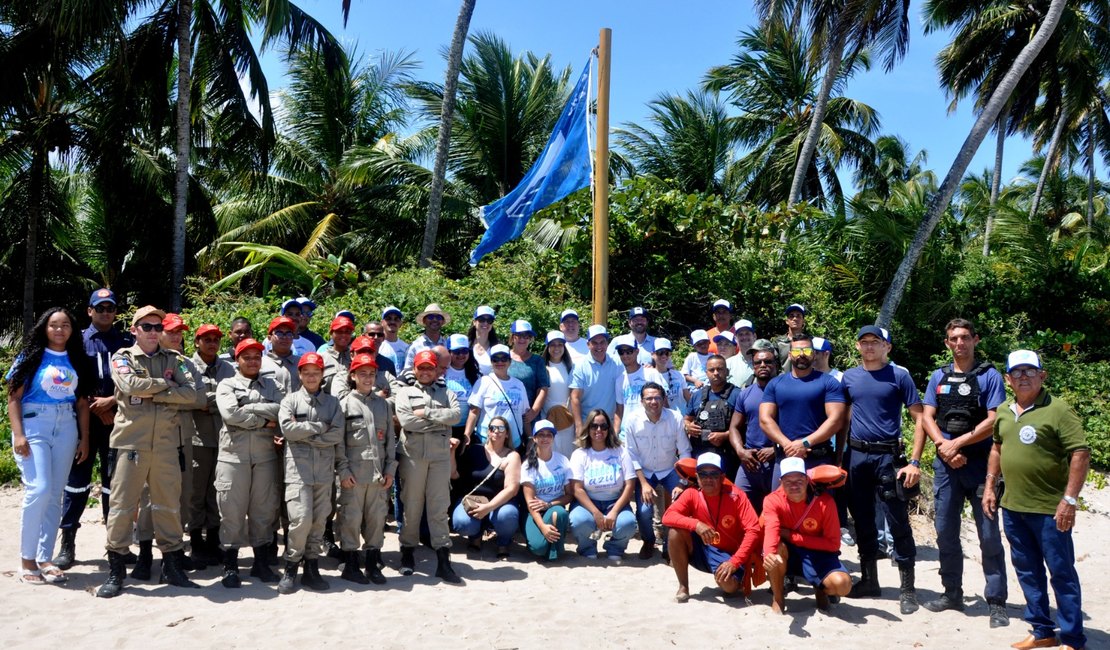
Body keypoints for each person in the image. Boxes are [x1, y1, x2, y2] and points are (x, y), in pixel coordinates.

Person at [985, 350, 1090, 650]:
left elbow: (1080, 454)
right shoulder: (1004, 410)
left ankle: (1072, 638)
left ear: (1042, 375)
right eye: (1016, 372)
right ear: (1007, 379)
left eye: (1030, 371)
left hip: (1049, 510)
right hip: (1013, 507)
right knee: (1027, 571)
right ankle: (1042, 630)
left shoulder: (1058, 410)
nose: (1023, 376)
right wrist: (991, 486)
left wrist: (1069, 499)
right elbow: (997, 448)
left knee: (1062, 572)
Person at [96, 306, 199, 598]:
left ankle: (173, 567)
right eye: (147, 326)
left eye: (157, 326)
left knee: (168, 507)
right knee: (122, 507)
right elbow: (130, 384)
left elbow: (192, 394)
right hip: (131, 444)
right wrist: (167, 386)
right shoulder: (122, 357)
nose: (153, 331)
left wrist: (153, 389)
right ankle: (116, 569)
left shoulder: (175, 360)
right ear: (134, 330)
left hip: (166, 445)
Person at [920, 318, 1009, 626]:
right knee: (945, 531)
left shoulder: (990, 376)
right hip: (946, 465)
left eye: (965, 337)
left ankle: (996, 601)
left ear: (975, 340)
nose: (959, 343)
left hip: (981, 463)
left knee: (988, 534)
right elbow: (927, 415)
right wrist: (943, 446)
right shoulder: (938, 376)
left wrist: (956, 443)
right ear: (947, 343)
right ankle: (951, 593)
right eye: (954, 338)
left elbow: (994, 420)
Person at [840, 325, 925, 614]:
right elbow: (843, 417)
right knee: (862, 519)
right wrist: (841, 457)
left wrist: (915, 461)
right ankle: (869, 581)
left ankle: (907, 590)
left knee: (897, 520)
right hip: (857, 455)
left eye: (875, 342)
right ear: (858, 346)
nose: (869, 347)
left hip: (888, 456)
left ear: (886, 347)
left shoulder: (899, 376)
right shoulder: (849, 377)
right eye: (864, 342)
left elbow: (920, 418)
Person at [7, 307, 92, 585]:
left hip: (66, 426)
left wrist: (85, 438)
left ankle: (45, 558)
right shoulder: (31, 357)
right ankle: (27, 559)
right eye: (54, 325)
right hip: (35, 424)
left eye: (65, 325)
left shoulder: (77, 358)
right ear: (45, 328)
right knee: (39, 488)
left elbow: (81, 403)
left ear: (72, 330)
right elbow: (13, 398)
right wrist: (19, 435)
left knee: (55, 493)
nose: (59, 329)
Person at [55, 288, 132, 570]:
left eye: (110, 307)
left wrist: (111, 402)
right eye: (100, 308)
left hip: (119, 421)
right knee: (76, 485)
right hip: (84, 424)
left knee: (116, 486)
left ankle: (116, 545)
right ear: (89, 311)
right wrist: (93, 407)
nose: (106, 312)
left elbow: (136, 379)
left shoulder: (126, 341)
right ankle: (67, 544)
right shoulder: (76, 342)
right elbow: (69, 380)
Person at [214, 338, 284, 588]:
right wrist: (263, 421)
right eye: (247, 357)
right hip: (233, 457)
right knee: (231, 512)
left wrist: (250, 408)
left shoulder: (272, 384)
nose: (253, 361)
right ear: (237, 359)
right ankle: (230, 566)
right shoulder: (227, 384)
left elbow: (282, 410)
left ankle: (261, 564)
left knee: (263, 511)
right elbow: (230, 414)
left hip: (265, 457)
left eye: (257, 357)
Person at [277, 352, 343, 594]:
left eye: (316, 372)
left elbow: (337, 435)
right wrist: (319, 428)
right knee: (300, 520)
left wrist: (306, 435)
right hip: (299, 472)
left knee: (318, 521)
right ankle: (292, 565)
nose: (312, 376)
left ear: (322, 374)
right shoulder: (290, 401)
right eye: (307, 372)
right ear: (300, 374)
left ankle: (312, 567)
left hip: (324, 472)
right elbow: (288, 430)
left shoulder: (332, 403)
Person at [395, 349, 463, 583]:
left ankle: (444, 560)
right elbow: (406, 421)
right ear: (414, 369)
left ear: (436, 370)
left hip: (440, 458)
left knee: (439, 507)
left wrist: (427, 413)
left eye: (429, 368)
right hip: (413, 456)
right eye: (421, 367)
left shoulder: (447, 392)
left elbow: (455, 416)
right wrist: (438, 423)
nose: (425, 372)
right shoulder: (405, 393)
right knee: (411, 506)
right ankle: (407, 553)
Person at [663, 452, 761, 603]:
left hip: (729, 554)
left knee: (728, 587)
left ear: (722, 477)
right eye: (703, 474)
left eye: (714, 474)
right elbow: (667, 517)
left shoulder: (737, 496)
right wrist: (696, 524)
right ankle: (683, 587)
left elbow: (753, 530)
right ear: (697, 477)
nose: (708, 479)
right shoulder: (691, 494)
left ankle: (737, 582)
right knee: (675, 532)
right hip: (703, 549)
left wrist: (734, 562)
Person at [336, 353, 396, 585]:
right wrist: (342, 471)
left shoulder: (383, 405)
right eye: (362, 373)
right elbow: (338, 443)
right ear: (353, 376)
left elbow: (390, 440)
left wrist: (390, 469)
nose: (368, 378)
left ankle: (372, 564)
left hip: (378, 475)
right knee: (350, 520)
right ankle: (350, 565)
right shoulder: (344, 405)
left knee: (376, 520)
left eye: (372, 374)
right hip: (353, 475)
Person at [763, 456, 852, 613]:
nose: (794, 486)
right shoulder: (772, 500)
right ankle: (778, 598)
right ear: (780, 482)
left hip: (817, 553)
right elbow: (771, 529)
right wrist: (769, 554)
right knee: (775, 551)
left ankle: (821, 591)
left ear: (807, 479)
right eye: (788, 481)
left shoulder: (825, 502)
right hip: (788, 553)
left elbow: (833, 544)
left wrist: (792, 536)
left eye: (798, 480)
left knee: (843, 585)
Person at [759, 333, 846, 484]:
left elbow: (836, 420)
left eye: (806, 351)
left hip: (819, 459)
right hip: (785, 458)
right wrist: (789, 446)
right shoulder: (775, 384)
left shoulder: (829, 383)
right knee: (780, 506)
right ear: (790, 354)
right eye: (797, 351)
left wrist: (805, 443)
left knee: (821, 507)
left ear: (813, 354)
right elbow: (765, 420)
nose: (801, 355)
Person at [624, 382, 692, 560]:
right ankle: (648, 541)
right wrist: (644, 484)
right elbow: (631, 455)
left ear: (663, 400)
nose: (653, 401)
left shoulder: (675, 417)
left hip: (670, 469)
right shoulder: (632, 420)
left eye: (657, 398)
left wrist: (682, 480)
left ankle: (670, 545)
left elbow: (684, 451)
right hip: (644, 472)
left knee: (677, 506)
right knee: (644, 512)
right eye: (649, 398)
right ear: (641, 401)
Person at [188, 324, 235, 568]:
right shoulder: (187, 365)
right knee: (196, 493)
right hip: (197, 439)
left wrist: (209, 401)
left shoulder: (228, 368)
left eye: (216, 338)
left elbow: (235, 399)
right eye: (206, 338)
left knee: (217, 494)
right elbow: (189, 398)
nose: (212, 343)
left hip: (224, 440)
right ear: (197, 341)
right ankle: (196, 542)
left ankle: (214, 540)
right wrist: (210, 401)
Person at [568, 409, 638, 562]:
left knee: (628, 524)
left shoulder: (621, 451)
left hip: (615, 501)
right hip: (588, 502)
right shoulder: (579, 454)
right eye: (594, 426)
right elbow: (577, 489)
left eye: (603, 426)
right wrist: (595, 512)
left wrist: (614, 511)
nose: (599, 430)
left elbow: (629, 485)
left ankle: (615, 547)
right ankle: (587, 547)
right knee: (579, 521)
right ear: (588, 428)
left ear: (609, 429)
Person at [452, 416, 522, 558]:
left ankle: (503, 541)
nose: (496, 431)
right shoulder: (474, 450)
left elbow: (512, 489)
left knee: (507, 516)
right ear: (488, 432)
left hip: (501, 503)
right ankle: (476, 535)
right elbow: (454, 474)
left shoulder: (512, 456)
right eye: (492, 428)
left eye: (501, 428)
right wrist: (452, 452)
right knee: (461, 523)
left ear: (507, 433)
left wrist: (488, 507)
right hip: (474, 500)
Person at [730, 346, 779, 514]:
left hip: (778, 459)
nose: (763, 365)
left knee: (776, 511)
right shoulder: (745, 394)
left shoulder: (786, 390)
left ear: (776, 364)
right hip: (750, 461)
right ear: (753, 366)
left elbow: (797, 427)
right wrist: (740, 450)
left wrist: (775, 449)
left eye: (768, 361)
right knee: (740, 506)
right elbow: (734, 427)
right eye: (758, 362)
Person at [521, 419, 573, 560]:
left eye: (549, 435)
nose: (545, 438)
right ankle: (543, 541)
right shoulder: (528, 465)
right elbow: (530, 503)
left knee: (559, 513)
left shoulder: (563, 461)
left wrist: (549, 504)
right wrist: (542, 526)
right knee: (538, 549)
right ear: (535, 438)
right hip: (534, 512)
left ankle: (556, 548)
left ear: (553, 438)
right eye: (541, 435)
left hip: (553, 507)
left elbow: (569, 495)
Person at [684, 355, 742, 480]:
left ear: (726, 372)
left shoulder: (738, 395)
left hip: (728, 456)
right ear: (706, 373)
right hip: (701, 454)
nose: (716, 373)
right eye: (711, 370)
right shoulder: (697, 395)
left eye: (719, 369)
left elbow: (745, 426)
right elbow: (687, 418)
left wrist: (726, 435)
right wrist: (688, 426)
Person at [465, 344, 529, 450]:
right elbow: (473, 412)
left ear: (510, 361)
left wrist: (530, 437)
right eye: (495, 359)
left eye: (504, 359)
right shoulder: (483, 382)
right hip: (488, 440)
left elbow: (525, 415)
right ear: (491, 362)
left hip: (514, 442)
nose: (500, 362)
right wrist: (467, 435)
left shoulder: (519, 384)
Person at [568, 325, 622, 432]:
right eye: (595, 343)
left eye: (602, 342)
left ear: (607, 343)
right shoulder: (579, 366)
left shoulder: (618, 363)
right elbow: (575, 398)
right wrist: (579, 427)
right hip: (588, 424)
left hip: (610, 424)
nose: (599, 346)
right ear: (588, 344)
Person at [612, 335, 665, 436]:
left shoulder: (651, 373)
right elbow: (619, 410)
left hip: (650, 431)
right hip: (626, 434)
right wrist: (615, 434)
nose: (625, 355)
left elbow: (664, 402)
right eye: (621, 352)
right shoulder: (619, 380)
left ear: (637, 351)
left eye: (629, 351)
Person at [507, 319, 549, 439]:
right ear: (512, 337)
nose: (522, 339)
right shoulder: (503, 357)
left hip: (529, 416)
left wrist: (534, 411)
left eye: (526, 336)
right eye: (519, 335)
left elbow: (543, 388)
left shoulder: (537, 360)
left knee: (530, 452)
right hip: (507, 413)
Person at [542, 331, 577, 459]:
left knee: (568, 455)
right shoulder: (542, 366)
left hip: (567, 419)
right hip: (547, 417)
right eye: (553, 345)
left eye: (560, 345)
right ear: (547, 347)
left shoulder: (571, 367)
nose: (556, 348)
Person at [261, 316, 301, 396]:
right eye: (279, 333)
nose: (284, 337)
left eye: (289, 334)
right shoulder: (261, 363)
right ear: (269, 338)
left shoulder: (301, 363)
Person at [402, 303, 450, 371]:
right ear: (424, 321)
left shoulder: (448, 345)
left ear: (442, 321)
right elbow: (407, 371)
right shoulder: (415, 346)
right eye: (430, 317)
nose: (435, 320)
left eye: (438, 317)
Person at [652, 338, 689, 415]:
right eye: (660, 352)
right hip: (664, 420)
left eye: (667, 353)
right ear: (652, 354)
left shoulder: (678, 375)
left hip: (684, 417)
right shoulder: (649, 377)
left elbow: (687, 397)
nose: (664, 356)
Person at [321, 315, 355, 394]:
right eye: (339, 331)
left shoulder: (356, 357)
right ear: (331, 333)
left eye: (347, 332)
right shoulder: (322, 358)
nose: (343, 335)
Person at [773, 303, 808, 369]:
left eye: (798, 316)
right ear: (787, 321)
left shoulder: (809, 342)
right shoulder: (778, 343)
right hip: (784, 378)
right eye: (791, 316)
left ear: (803, 321)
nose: (795, 318)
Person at [468, 305, 498, 375]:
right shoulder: (466, 344)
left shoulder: (496, 348)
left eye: (489, 320)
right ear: (474, 322)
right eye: (481, 319)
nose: (485, 323)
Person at [377, 306, 409, 371]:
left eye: (396, 319)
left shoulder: (406, 347)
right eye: (388, 319)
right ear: (382, 323)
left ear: (400, 323)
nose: (392, 322)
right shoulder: (377, 346)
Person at [726, 322, 757, 389]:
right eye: (740, 334)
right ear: (735, 339)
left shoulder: (763, 361)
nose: (744, 337)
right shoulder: (728, 363)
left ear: (754, 336)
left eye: (747, 334)